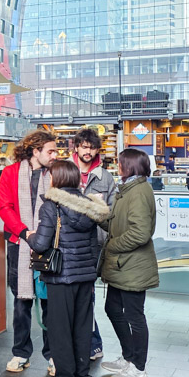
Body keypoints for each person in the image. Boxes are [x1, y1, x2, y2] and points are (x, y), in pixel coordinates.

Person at [25, 160, 111, 377]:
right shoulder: (89, 207)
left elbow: (41, 244)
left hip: (61, 277)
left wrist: (30, 236)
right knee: (83, 329)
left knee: (60, 332)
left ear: (57, 180)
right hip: (85, 276)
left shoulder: (52, 206)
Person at [0, 129, 60, 373]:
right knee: (21, 300)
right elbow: (5, 207)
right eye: (51, 151)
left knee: (49, 300)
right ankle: (20, 352)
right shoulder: (10, 173)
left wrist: (42, 236)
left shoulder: (55, 173)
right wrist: (25, 233)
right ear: (36, 151)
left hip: (48, 244)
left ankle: (53, 354)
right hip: (18, 243)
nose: (55, 155)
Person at [98, 148, 158, 377]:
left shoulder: (138, 192)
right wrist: (98, 215)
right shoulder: (128, 190)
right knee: (113, 309)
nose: (117, 166)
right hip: (122, 266)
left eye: (120, 163)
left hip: (132, 266)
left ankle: (139, 368)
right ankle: (128, 357)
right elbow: (119, 224)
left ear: (129, 166)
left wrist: (113, 245)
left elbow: (140, 233)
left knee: (134, 316)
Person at [70, 127, 117, 361]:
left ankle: (91, 344)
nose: (88, 151)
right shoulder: (66, 172)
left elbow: (113, 210)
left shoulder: (105, 177)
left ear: (98, 149)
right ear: (76, 147)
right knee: (75, 296)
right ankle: (87, 343)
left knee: (88, 294)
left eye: (92, 147)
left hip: (94, 244)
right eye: (84, 146)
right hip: (69, 243)